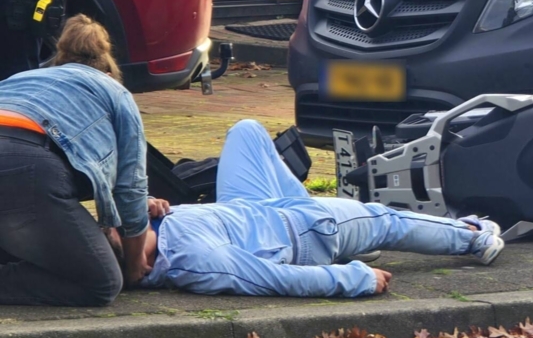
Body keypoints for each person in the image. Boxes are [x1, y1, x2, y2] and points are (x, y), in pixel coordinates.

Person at [134, 120, 505, 298]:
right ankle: (471, 237)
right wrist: (353, 280)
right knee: (383, 219)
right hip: (307, 231)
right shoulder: (196, 261)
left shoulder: (149, 220)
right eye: (120, 229)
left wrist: (146, 206)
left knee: (246, 131)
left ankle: (346, 232)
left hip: (254, 208)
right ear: (143, 266)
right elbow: (274, 280)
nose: (117, 222)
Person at [0, 15, 151, 306]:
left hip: (21, 167)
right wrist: (134, 267)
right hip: (26, 162)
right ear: (108, 69)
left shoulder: (22, 77)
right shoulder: (114, 92)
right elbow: (131, 189)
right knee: (103, 283)